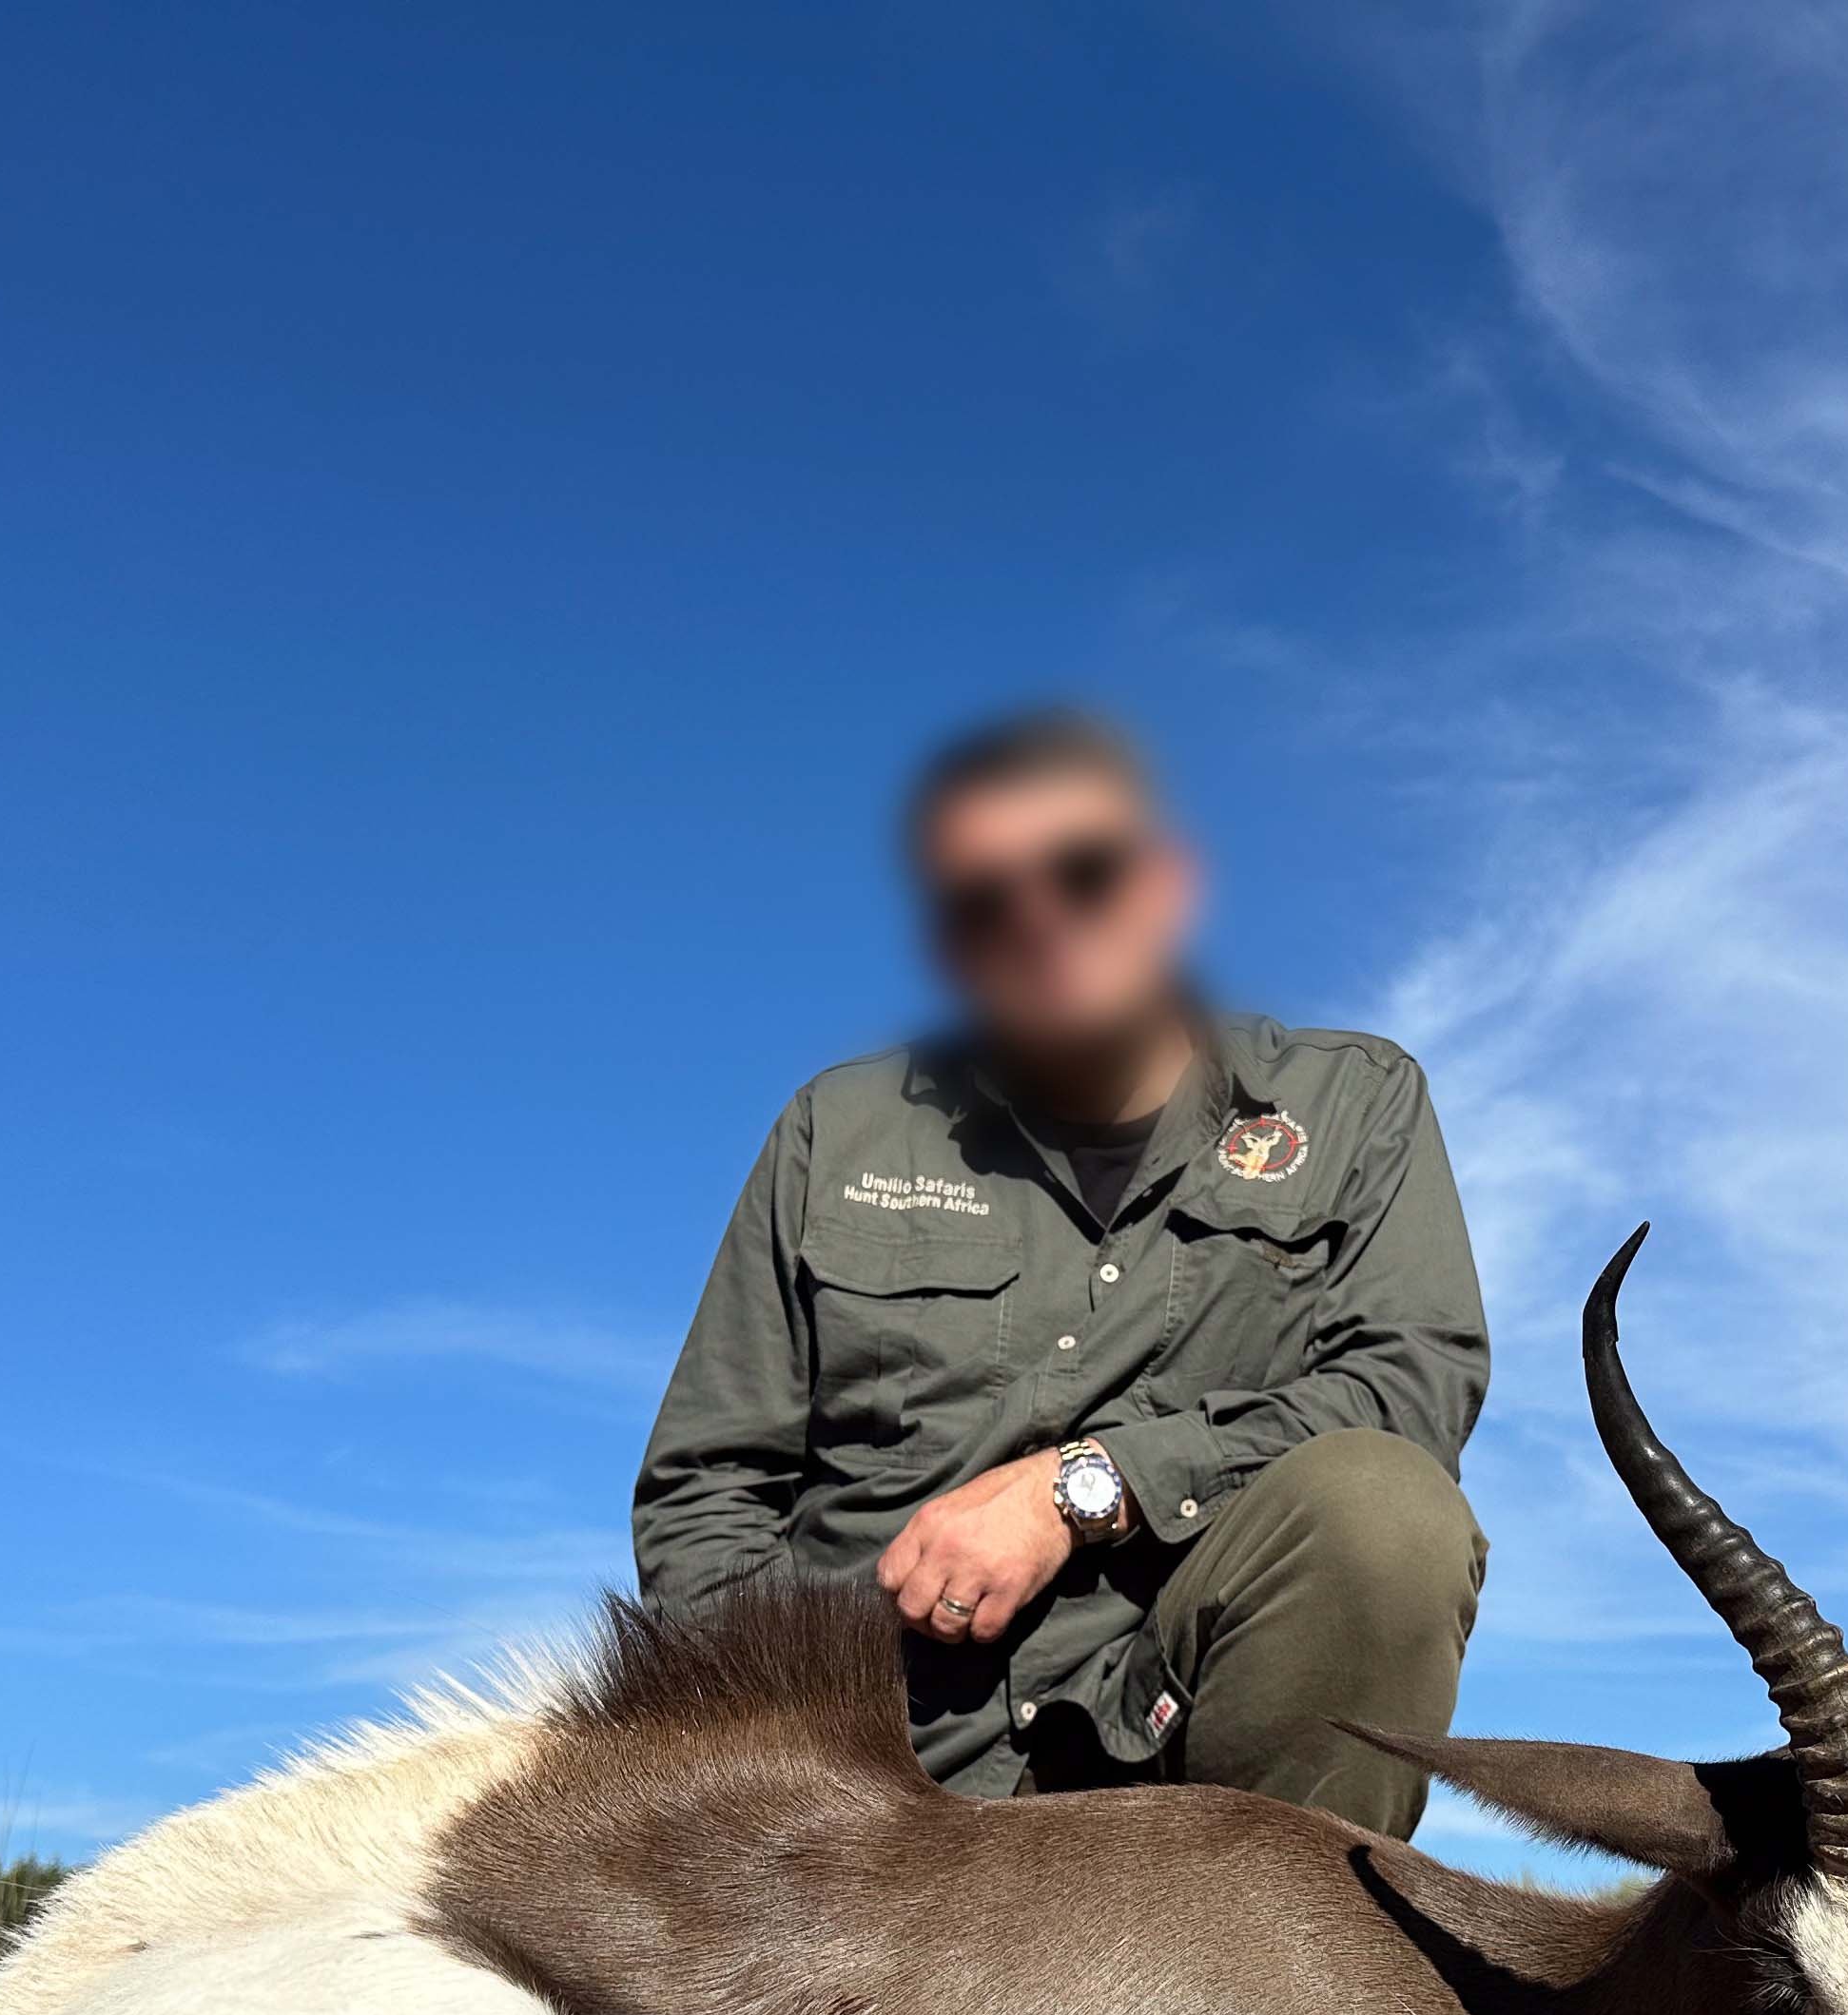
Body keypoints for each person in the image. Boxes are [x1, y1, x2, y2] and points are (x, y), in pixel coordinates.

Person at [632, 707, 1489, 1836]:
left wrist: (1082, 1489)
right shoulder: (833, 1131)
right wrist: (792, 1762)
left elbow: (1407, 1389)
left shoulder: (1352, 1106)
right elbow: (706, 1494)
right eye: (985, 900)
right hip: (871, 1781)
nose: (1038, 916)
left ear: (1166, 886)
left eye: (1083, 872)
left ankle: (1272, 1966)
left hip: (1182, 1765)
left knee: (1383, 1510)